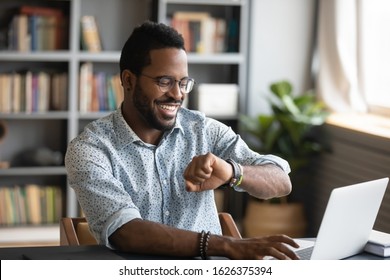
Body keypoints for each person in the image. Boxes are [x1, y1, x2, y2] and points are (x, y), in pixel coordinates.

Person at [65, 21, 300, 260]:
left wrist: (232, 171)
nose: (177, 95)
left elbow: (281, 181)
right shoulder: (89, 149)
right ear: (128, 80)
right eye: (164, 81)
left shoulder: (203, 130)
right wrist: (227, 246)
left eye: (183, 83)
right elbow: (125, 231)